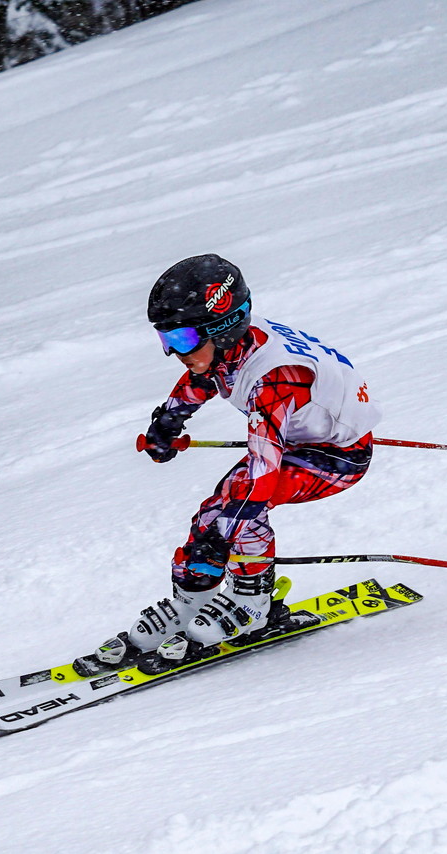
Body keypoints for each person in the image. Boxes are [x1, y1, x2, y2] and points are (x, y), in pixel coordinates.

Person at [97, 254, 382, 668]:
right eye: (166, 341)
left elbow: (262, 477)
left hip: (336, 457)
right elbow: (207, 375)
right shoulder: (232, 346)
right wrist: (169, 420)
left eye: (182, 341)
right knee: (215, 514)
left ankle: (253, 603)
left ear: (222, 328)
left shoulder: (275, 380)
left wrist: (223, 539)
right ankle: (190, 604)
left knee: (235, 511)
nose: (175, 353)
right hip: (299, 439)